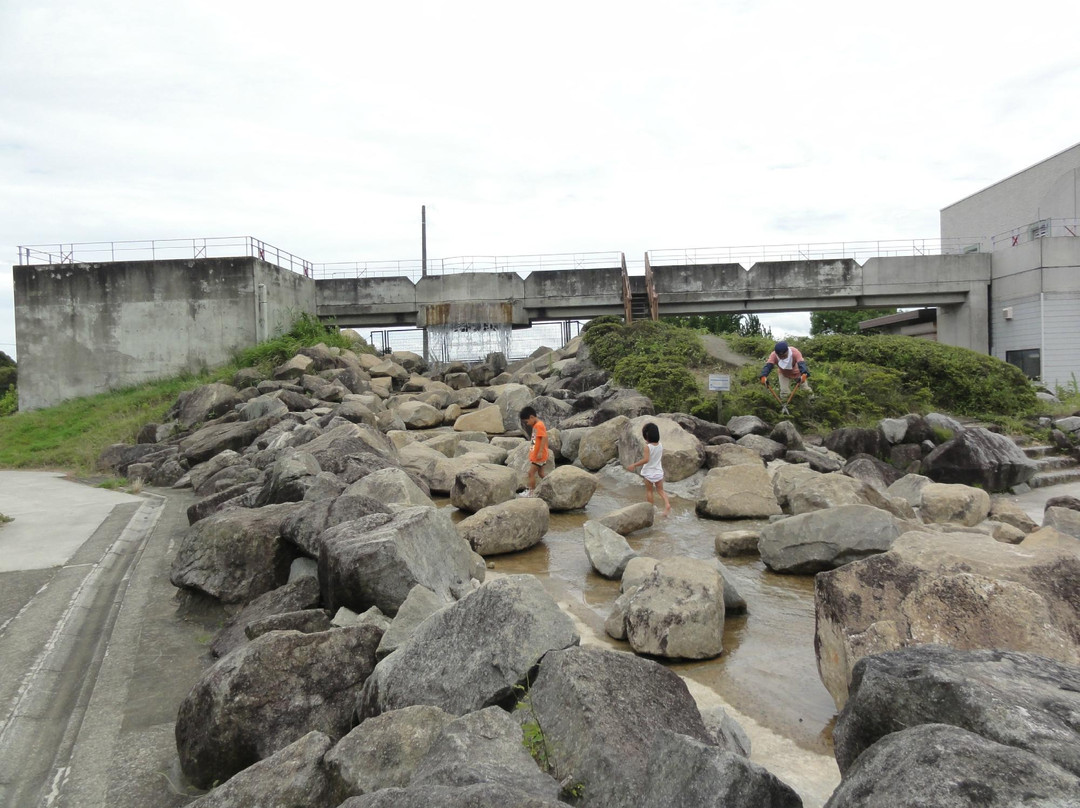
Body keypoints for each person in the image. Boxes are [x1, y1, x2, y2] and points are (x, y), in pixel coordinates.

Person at [625, 421, 671, 516]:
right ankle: (667, 504)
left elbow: (646, 459)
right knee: (660, 490)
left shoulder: (648, 447)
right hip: (658, 472)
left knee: (649, 491)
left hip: (649, 473)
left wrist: (634, 465)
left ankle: (650, 510)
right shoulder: (660, 445)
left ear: (647, 436)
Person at [519, 406, 549, 497]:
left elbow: (544, 437)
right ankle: (552, 483)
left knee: (531, 473)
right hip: (537, 454)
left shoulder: (539, 425)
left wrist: (540, 452)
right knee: (541, 473)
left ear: (532, 417)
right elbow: (535, 439)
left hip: (539, 455)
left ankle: (531, 492)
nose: (527, 424)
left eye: (527, 421)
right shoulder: (537, 425)